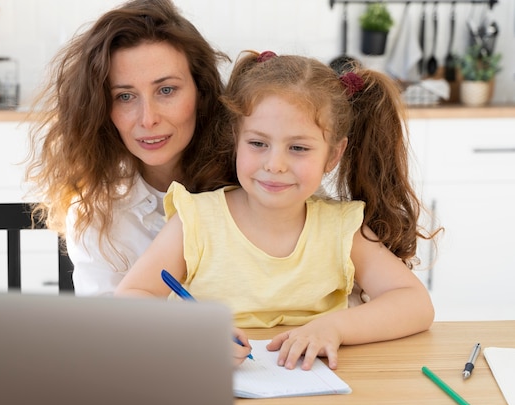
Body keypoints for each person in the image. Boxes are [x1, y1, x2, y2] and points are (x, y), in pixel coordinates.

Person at [115, 51, 438, 370]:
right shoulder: (196, 221)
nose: (275, 165)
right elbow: (131, 296)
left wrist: (335, 328)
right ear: (236, 139)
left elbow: (415, 304)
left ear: (333, 155)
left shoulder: (343, 231)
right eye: (258, 144)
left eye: (298, 148)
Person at [25, 0, 236, 296]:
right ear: (101, 107)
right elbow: (109, 330)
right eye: (125, 96)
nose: (148, 119)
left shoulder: (257, 179)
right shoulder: (95, 212)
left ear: (202, 92)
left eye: (166, 90)